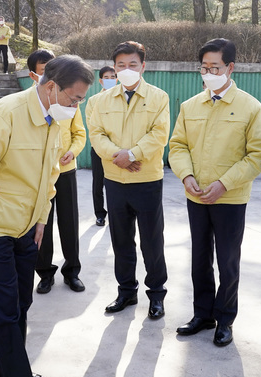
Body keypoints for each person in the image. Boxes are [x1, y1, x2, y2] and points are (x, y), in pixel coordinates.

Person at [0, 55, 94, 377]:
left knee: (23, 302)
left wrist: (41, 221)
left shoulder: (53, 117)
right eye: (74, 99)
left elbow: (49, 175)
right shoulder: (5, 115)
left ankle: (6, 365)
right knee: (5, 308)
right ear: (51, 86)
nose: (76, 106)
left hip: (26, 227)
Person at [168, 38, 261, 347]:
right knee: (199, 257)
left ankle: (225, 319)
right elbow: (178, 145)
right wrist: (186, 176)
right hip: (196, 195)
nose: (209, 73)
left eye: (215, 68)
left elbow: (255, 156)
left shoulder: (251, 107)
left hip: (230, 198)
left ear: (230, 68)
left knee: (228, 261)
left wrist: (224, 183)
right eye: (204, 68)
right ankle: (202, 314)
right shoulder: (190, 105)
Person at [89, 41, 170, 320]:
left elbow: (159, 134)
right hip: (114, 179)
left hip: (146, 179)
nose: (126, 69)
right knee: (121, 240)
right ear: (113, 68)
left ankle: (156, 294)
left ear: (143, 66)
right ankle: (126, 291)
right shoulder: (98, 101)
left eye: (132, 64)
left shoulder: (159, 98)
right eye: (120, 65)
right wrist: (118, 156)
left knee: (151, 241)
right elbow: (96, 135)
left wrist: (133, 153)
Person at [28, 50, 87, 295]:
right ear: (35, 75)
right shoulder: (28, 105)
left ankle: (72, 271)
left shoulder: (69, 101)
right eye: (43, 71)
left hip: (66, 171)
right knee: (43, 224)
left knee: (69, 223)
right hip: (40, 174)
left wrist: (72, 152)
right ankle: (45, 273)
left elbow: (79, 134)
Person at [85, 65, 116, 227]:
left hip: (118, 150)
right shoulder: (93, 101)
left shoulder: (123, 99)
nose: (110, 80)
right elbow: (92, 125)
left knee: (115, 183)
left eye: (113, 77)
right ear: (100, 80)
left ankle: (116, 213)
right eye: (107, 77)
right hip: (98, 148)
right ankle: (99, 214)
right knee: (98, 183)